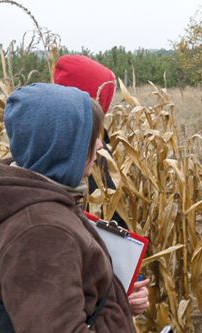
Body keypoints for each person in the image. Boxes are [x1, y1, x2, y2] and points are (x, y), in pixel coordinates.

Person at [0, 83, 175, 333]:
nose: (98, 151)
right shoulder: (41, 232)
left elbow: (42, 307)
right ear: (65, 148)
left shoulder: (33, 200)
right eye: (91, 142)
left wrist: (115, 302)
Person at [53, 54, 150, 316]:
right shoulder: (81, 156)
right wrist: (119, 294)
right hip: (100, 285)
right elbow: (108, 221)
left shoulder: (66, 146)